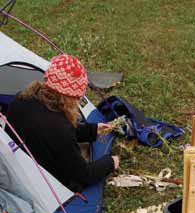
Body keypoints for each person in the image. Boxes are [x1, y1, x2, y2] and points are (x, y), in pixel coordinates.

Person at [6, 54, 119, 192]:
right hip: (43, 181)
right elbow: (83, 175)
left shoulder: (21, 98)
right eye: (77, 97)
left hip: (14, 164)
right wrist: (110, 162)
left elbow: (55, 133)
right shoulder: (59, 127)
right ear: (69, 96)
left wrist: (93, 130)